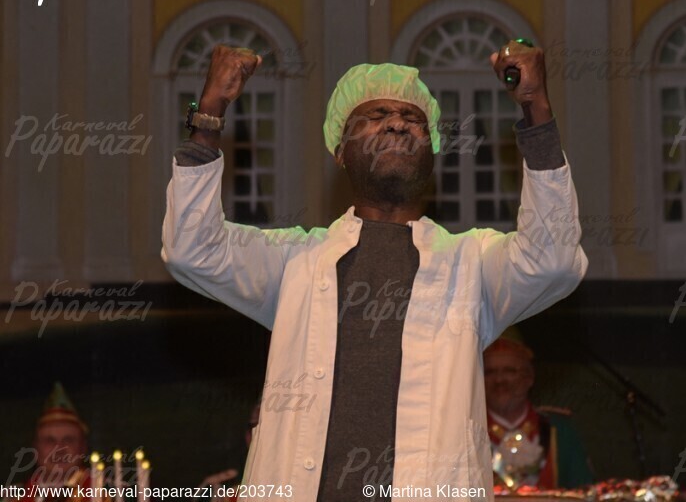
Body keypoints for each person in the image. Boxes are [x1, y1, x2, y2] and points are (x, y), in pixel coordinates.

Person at [161, 40, 588, 501]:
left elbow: (553, 259)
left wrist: (536, 110)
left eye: (413, 119)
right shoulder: (294, 262)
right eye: (376, 114)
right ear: (340, 150)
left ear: (433, 150)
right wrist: (209, 113)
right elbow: (192, 249)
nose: (397, 122)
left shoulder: (470, 265)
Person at [484, 333, 593, 490]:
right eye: (489, 372)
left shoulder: (559, 430)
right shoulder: (466, 433)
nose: (499, 380)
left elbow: (584, 490)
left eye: (509, 371)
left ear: (529, 377)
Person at [5, 382, 92, 502]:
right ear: (35, 449)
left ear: (83, 447)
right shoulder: (12, 498)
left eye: (68, 440)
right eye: (49, 441)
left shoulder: (107, 494)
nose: (59, 449)